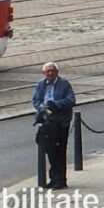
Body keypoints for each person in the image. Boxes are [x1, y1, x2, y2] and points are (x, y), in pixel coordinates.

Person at [32, 62, 76, 190]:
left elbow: (71, 100)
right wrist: (43, 109)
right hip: (47, 121)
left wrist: (55, 104)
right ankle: (53, 178)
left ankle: (61, 180)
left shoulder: (64, 84)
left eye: (52, 71)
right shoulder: (41, 85)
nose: (50, 73)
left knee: (59, 151)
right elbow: (36, 100)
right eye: (48, 71)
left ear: (57, 72)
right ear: (44, 73)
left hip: (61, 121)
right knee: (49, 150)